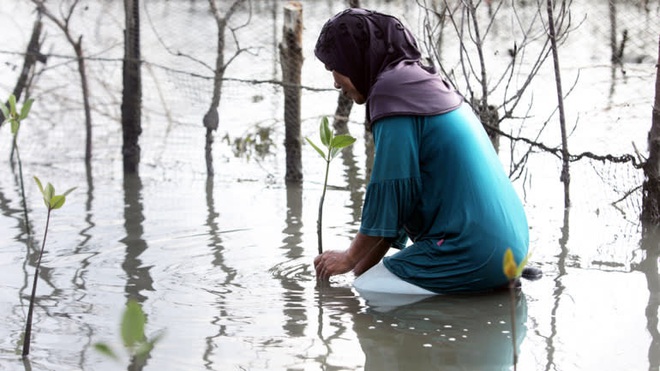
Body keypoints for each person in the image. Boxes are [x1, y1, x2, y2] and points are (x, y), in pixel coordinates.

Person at [312, 8, 531, 294]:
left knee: (368, 291)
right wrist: (360, 264)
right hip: (511, 253)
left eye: (333, 68)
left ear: (353, 58)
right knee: (369, 279)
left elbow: (389, 191)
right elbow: (400, 203)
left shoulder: (392, 94)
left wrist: (350, 258)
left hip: (473, 251)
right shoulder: (422, 84)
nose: (334, 82)